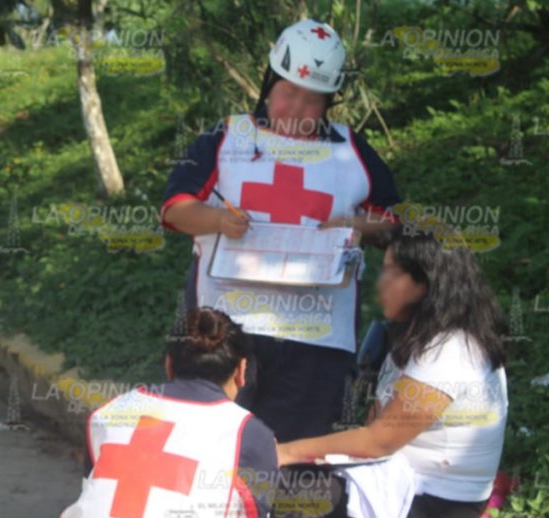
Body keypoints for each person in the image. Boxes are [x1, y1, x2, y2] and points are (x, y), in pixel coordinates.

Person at [160, 19, 401, 445]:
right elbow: (175, 210)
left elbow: (394, 222)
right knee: (207, 444)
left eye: (312, 100)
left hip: (317, 338)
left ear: (329, 102)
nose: (296, 109)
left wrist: (353, 225)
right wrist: (217, 221)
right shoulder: (226, 137)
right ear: (269, 83)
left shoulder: (351, 150)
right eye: (288, 93)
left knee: (292, 454)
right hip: (223, 331)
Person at [277, 227, 509, 518]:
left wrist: (288, 451)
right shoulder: (415, 336)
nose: (381, 283)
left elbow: (378, 441)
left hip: (433, 505)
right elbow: (374, 425)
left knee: (297, 494)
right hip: (400, 481)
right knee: (294, 480)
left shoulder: (449, 350)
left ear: (424, 284)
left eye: (392, 273)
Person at [60, 308, 298, 518]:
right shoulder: (249, 433)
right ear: (241, 370)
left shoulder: (109, 412)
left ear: (168, 364)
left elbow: (94, 497)